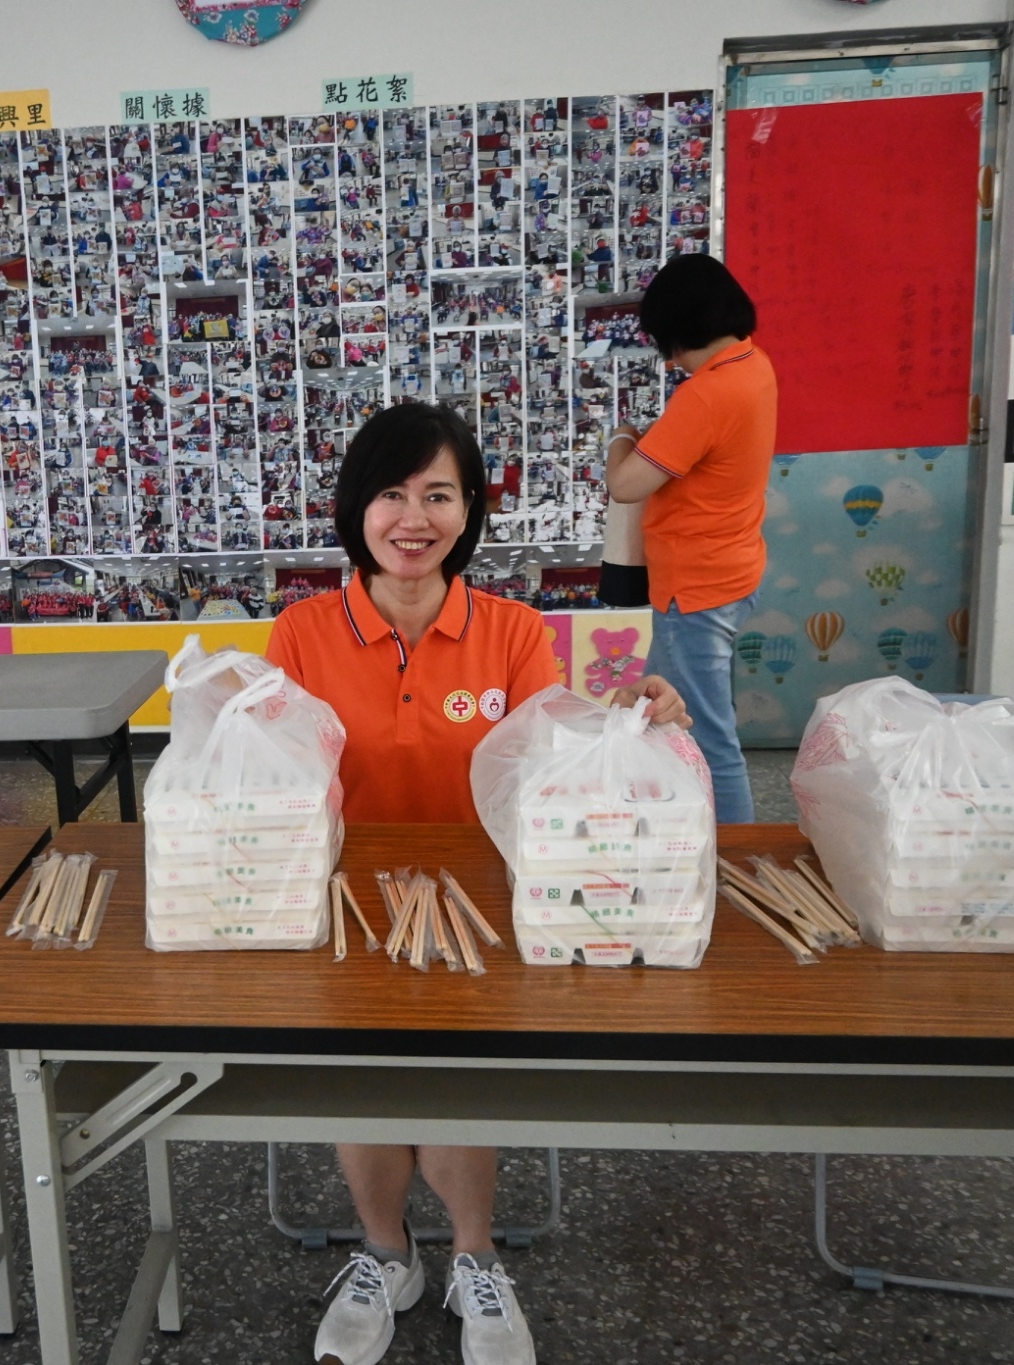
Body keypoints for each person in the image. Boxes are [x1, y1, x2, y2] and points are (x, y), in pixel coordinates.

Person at [268, 404, 686, 1365]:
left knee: (458, 1076)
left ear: (469, 510)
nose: (413, 519)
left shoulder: (512, 630)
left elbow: (554, 750)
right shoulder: (301, 632)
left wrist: (630, 714)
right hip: (347, 902)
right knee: (363, 1079)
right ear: (357, 508)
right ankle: (386, 1253)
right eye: (391, 493)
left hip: (481, 902)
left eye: (439, 495)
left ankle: (474, 1255)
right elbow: (276, 766)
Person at [598, 253, 776, 823]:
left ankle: (738, 857)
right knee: (661, 713)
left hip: (695, 590)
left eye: (667, 346)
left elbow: (625, 484)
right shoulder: (754, 363)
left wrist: (621, 438)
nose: (670, 361)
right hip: (733, 571)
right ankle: (672, 828)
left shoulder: (705, 394)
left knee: (706, 740)